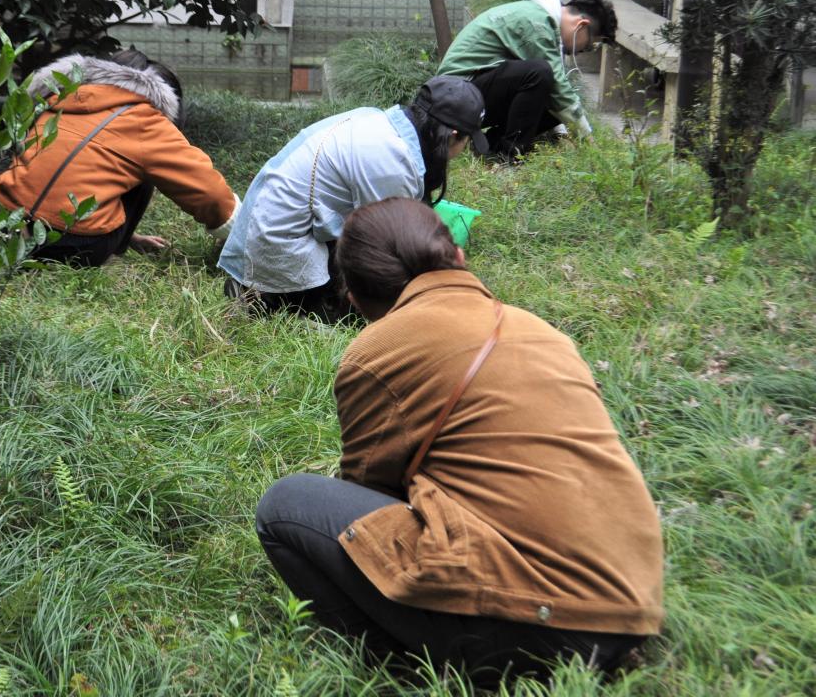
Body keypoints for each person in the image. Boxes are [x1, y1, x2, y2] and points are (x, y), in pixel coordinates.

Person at [255, 197, 663, 688]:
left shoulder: (378, 348)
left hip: (544, 627)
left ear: (356, 299)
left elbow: (369, 506)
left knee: (286, 506)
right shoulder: (545, 332)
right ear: (459, 259)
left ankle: (399, 665)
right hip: (635, 605)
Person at [217, 76, 488, 322]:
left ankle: (269, 289)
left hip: (279, 221)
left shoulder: (383, 123)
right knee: (363, 313)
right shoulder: (392, 161)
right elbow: (387, 244)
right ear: (452, 136)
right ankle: (264, 296)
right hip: (277, 240)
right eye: (467, 141)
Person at [0, 50, 240, 267]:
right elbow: (211, 194)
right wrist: (238, 230)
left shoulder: (60, 99)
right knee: (144, 173)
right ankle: (110, 247)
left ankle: (23, 243)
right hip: (72, 244)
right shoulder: (146, 120)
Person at [438, 0, 618, 160]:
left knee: (553, 90)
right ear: (581, 25)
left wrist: (560, 131)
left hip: (465, 92)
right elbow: (559, 90)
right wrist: (588, 140)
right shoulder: (538, 25)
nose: (581, 52)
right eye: (589, 46)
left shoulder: (539, 17)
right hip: (454, 97)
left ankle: (492, 144)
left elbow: (557, 95)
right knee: (541, 74)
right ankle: (510, 156)